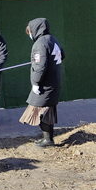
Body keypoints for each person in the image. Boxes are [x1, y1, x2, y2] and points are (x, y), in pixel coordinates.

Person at [18, 18, 65, 147]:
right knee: (47, 111)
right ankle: (48, 139)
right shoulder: (52, 39)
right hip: (54, 81)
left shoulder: (39, 44)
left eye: (29, 32)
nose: (30, 35)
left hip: (45, 84)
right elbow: (62, 55)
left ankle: (48, 140)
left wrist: (35, 83)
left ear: (35, 30)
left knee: (39, 111)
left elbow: (40, 67)